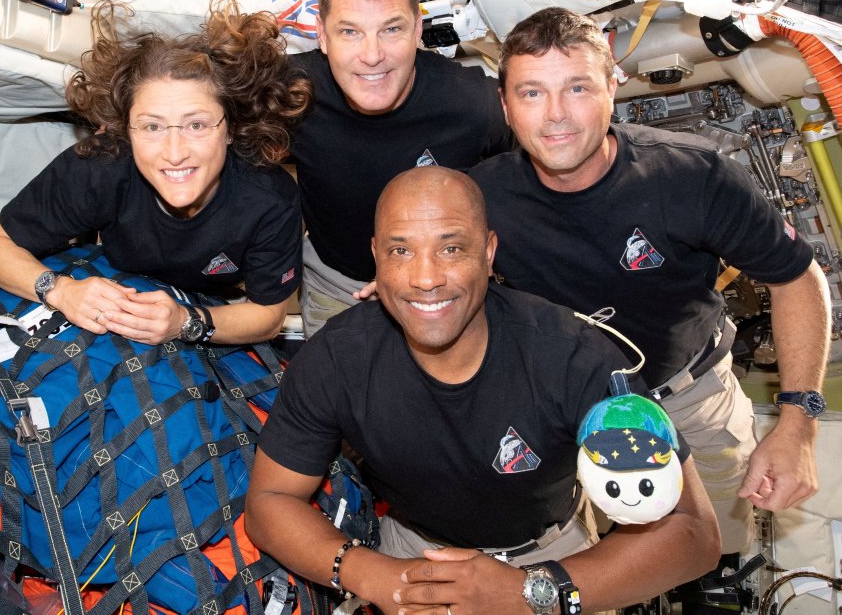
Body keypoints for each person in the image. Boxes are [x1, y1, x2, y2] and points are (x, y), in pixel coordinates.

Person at [246, 167, 720, 615]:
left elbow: (694, 532)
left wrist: (531, 591)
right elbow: (269, 501)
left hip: (556, 559)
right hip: (410, 556)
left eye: (451, 248)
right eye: (401, 251)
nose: (426, 278)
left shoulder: (574, 357)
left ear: (489, 253)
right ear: (376, 257)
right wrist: (371, 574)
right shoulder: (336, 358)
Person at [469, 7, 829, 560]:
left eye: (578, 88)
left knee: (717, 541)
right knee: (574, 550)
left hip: (690, 396)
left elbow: (797, 277)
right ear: (505, 105)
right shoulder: (477, 198)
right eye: (532, 93)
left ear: (613, 87)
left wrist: (798, 426)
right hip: (558, 404)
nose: (556, 115)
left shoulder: (692, 176)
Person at [0, 0, 311, 346]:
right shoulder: (101, 165)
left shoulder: (270, 198)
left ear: (231, 129)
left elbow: (268, 316)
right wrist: (60, 291)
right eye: (152, 127)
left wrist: (186, 322)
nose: (174, 153)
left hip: (211, 306)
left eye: (196, 125)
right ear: (126, 131)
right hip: (112, 286)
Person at [288, 0, 514, 337]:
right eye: (350, 32)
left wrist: (477, 262)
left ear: (417, 30)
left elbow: (537, 178)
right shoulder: (289, 93)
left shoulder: (472, 103)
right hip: (338, 285)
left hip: (442, 286)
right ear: (322, 35)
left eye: (391, 29)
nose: (372, 55)